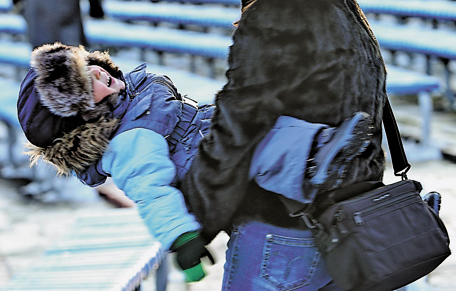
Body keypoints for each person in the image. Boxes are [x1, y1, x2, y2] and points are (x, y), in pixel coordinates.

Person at [178, 0, 388, 290]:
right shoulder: (342, 3)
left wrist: (191, 222)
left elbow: (237, 129)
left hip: (280, 237)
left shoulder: (278, 12)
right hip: (339, 229)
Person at [17, 42, 371, 285]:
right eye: (84, 86)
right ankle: (316, 161)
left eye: (86, 66)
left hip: (215, 148)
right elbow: (150, 192)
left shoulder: (133, 100)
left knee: (258, 125)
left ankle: (321, 148)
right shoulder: (128, 142)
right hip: (210, 170)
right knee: (258, 148)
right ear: (83, 117)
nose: (95, 75)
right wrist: (182, 240)